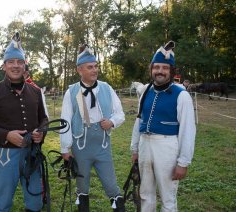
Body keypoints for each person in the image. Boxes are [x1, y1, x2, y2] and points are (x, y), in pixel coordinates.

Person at [0, 32, 48, 212]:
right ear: (4, 66)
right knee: (3, 202)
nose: (15, 66)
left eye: (19, 62)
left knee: (36, 202)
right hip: (6, 155)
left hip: (32, 153)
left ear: (24, 65)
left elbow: (43, 119)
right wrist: (6, 135)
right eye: (11, 62)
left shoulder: (35, 92)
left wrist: (41, 132)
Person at [130, 41, 196, 211]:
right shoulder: (145, 91)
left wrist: (183, 162)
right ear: (152, 69)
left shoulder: (181, 95)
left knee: (168, 197)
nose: (160, 71)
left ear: (171, 71)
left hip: (167, 148)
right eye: (156, 67)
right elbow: (139, 120)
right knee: (145, 194)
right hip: (145, 145)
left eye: (165, 68)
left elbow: (188, 131)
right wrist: (135, 149)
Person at [60, 44, 126, 212]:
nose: (95, 70)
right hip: (80, 145)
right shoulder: (71, 92)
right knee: (82, 186)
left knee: (111, 186)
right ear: (79, 70)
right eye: (90, 67)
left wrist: (111, 122)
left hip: (103, 145)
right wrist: (65, 148)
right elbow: (65, 121)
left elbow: (120, 114)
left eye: (96, 66)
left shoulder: (106, 88)